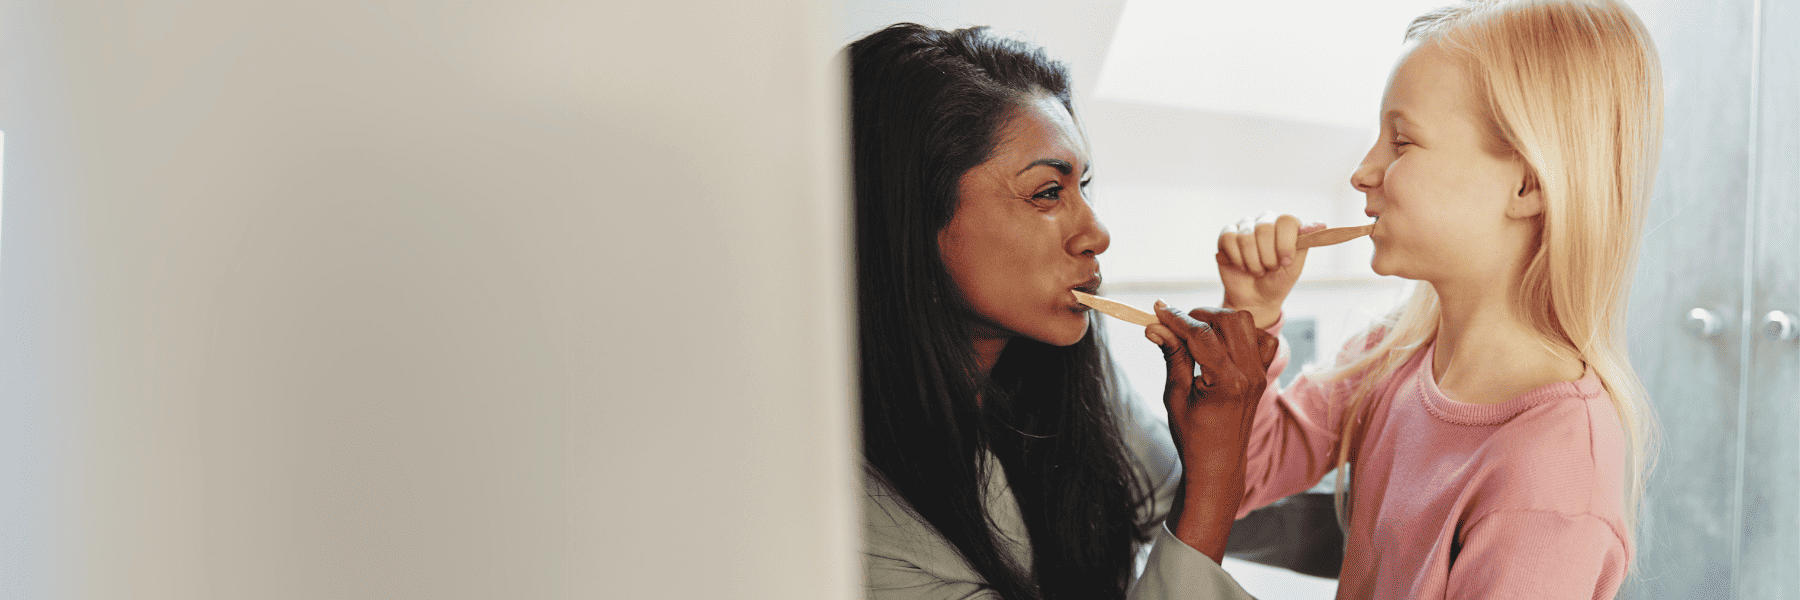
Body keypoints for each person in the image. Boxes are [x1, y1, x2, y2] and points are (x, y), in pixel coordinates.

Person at [1210, 0, 1662, 597]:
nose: (1362, 172)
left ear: (1527, 182)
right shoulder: (1393, 351)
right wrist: (1252, 313)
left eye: (1400, 142)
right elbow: (1240, 478)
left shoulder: (1551, 478)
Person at [850, 23, 1279, 600]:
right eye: (1048, 192)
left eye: (1083, 187)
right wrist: (1213, 479)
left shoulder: (1072, 380)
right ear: (912, 218)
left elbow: (1178, 496)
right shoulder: (850, 508)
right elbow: (1201, 506)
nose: (1096, 233)